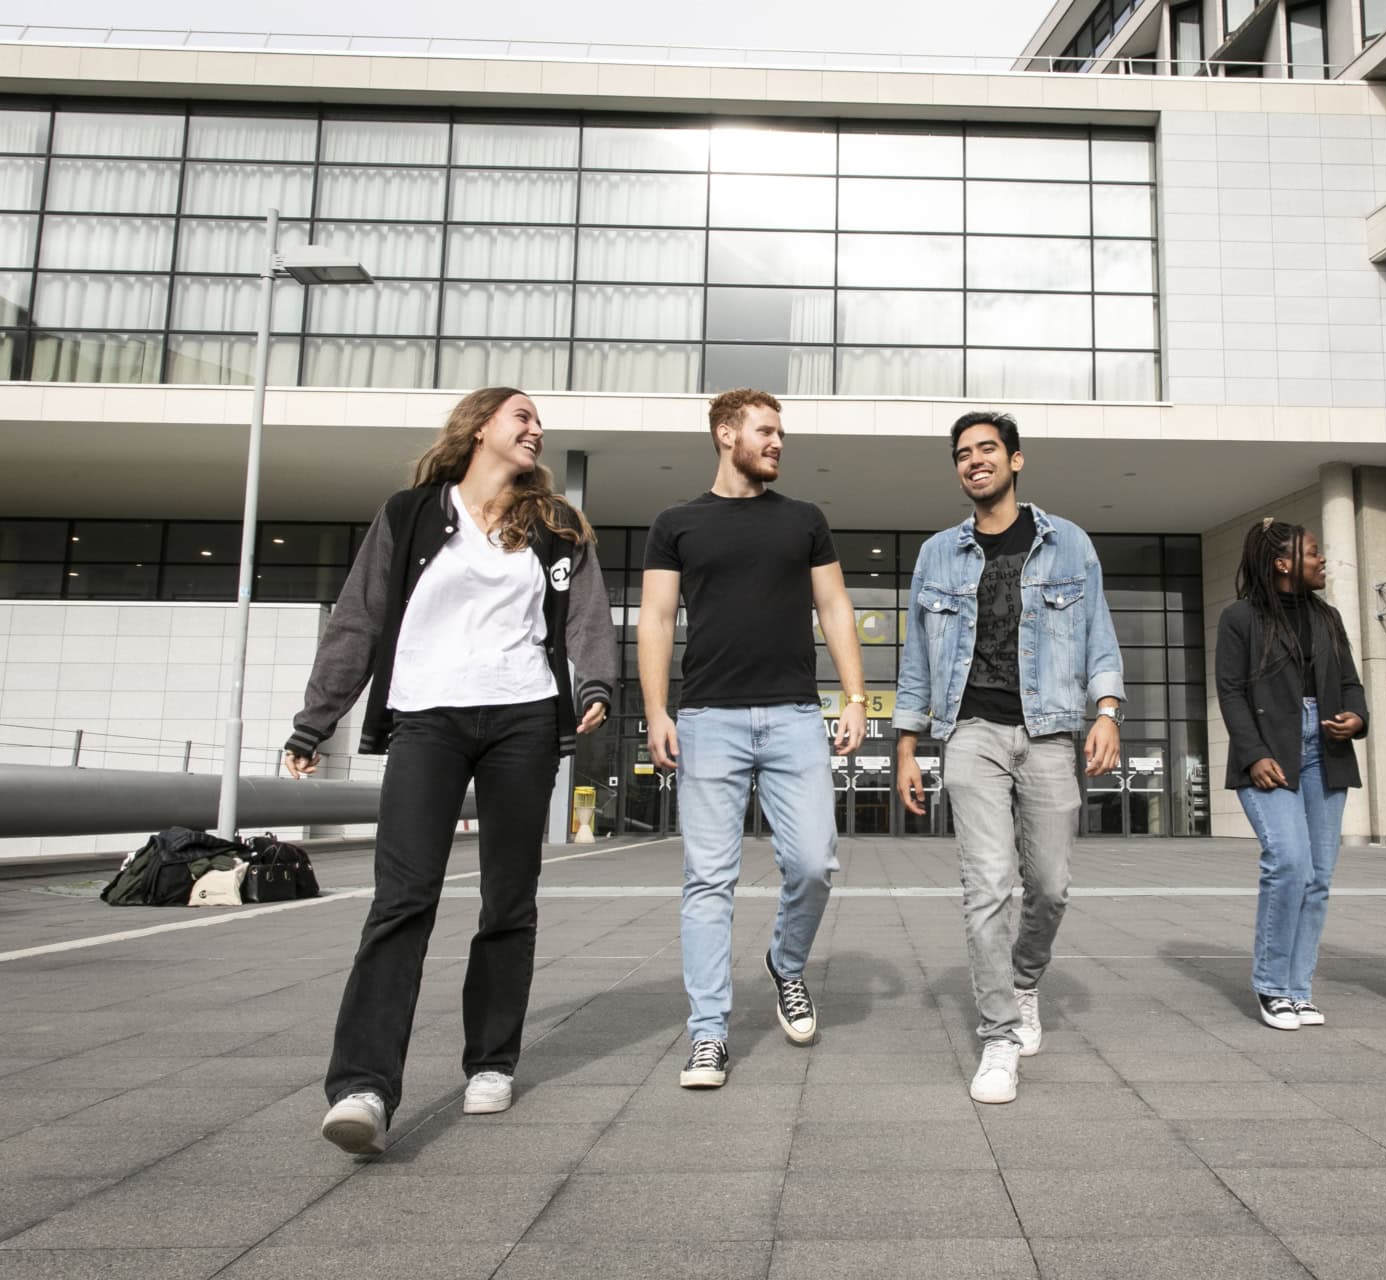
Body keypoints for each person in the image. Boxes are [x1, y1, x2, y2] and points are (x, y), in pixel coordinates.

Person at [287, 387, 616, 1155]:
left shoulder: (557, 527)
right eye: (522, 418)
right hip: (427, 716)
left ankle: (491, 1059)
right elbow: (359, 619)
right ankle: (364, 1087)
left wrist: (593, 683)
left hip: (523, 716)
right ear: (478, 428)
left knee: (508, 897)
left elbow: (590, 616)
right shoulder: (408, 515)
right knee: (402, 900)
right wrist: (316, 720)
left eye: (539, 422)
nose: (536, 431)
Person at [637, 388, 868, 1090]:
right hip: (709, 719)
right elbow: (654, 617)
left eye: (780, 433)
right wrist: (656, 712)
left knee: (813, 862)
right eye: (765, 431)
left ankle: (786, 964)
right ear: (724, 433)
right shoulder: (676, 523)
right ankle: (709, 1034)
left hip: (796, 716)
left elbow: (833, 605)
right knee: (708, 880)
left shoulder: (804, 520)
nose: (777, 442)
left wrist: (853, 697)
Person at [895, 410, 1125, 1105]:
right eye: (963, 454)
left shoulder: (1069, 543)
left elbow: (1098, 635)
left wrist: (1107, 712)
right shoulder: (937, 554)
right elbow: (916, 661)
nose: (974, 461)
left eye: (987, 449)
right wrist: (906, 743)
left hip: (1051, 730)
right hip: (970, 733)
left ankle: (1025, 982)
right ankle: (998, 1037)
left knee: (1050, 885)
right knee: (988, 885)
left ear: (1015, 460)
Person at [1215, 518, 1367, 1031]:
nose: (1322, 560)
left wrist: (1357, 717)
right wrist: (1254, 753)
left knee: (1319, 878)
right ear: (1283, 563)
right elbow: (1231, 691)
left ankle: (1299, 990)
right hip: (1270, 751)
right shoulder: (1239, 618)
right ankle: (1271, 987)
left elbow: (1349, 681)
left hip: (1326, 747)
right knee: (1289, 862)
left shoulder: (1328, 618)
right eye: (1313, 553)